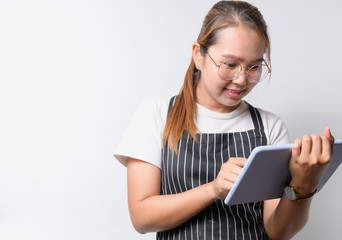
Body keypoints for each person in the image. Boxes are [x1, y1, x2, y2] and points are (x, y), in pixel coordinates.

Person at [114, 1, 334, 239]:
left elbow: (277, 231)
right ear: (199, 55)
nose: (241, 79)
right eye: (230, 64)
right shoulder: (155, 114)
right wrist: (213, 189)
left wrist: (303, 186)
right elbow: (142, 217)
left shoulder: (270, 126)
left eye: (254, 66)